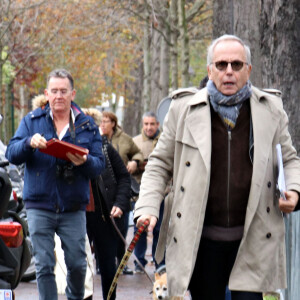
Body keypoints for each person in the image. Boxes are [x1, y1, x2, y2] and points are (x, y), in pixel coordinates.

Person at [134, 34, 300, 300]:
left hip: (253, 239)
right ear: (210, 69)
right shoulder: (183, 109)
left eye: (236, 64)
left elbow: (290, 159)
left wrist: (294, 188)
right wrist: (147, 208)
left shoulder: (271, 109)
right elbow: (158, 164)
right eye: (221, 65)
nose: (229, 72)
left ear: (249, 70)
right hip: (199, 242)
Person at [5, 69, 105, 300]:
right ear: (46, 94)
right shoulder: (32, 121)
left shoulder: (86, 125)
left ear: (72, 93)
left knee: (78, 264)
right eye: (54, 91)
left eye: (64, 91)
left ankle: (75, 297)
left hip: (73, 206)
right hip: (39, 204)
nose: (59, 96)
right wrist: (29, 143)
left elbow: (98, 166)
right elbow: (12, 153)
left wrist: (85, 161)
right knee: (44, 264)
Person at [83, 108, 131, 300]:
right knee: (80, 268)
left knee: (109, 268)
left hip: (105, 217)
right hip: (78, 218)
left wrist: (119, 203)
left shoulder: (105, 149)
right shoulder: (67, 151)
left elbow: (124, 178)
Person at [100, 111, 143, 275]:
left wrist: (135, 161)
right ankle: (103, 262)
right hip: (102, 191)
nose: (103, 124)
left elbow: (138, 152)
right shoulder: (95, 139)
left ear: (113, 123)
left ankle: (121, 261)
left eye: (106, 121)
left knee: (121, 229)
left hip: (121, 190)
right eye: (101, 121)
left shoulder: (125, 139)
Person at [132, 112, 165, 273]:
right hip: (139, 193)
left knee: (159, 229)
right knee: (139, 229)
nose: (149, 127)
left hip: (162, 194)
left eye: (152, 124)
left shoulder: (165, 140)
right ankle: (139, 261)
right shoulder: (135, 142)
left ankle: (160, 262)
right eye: (146, 124)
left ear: (157, 125)